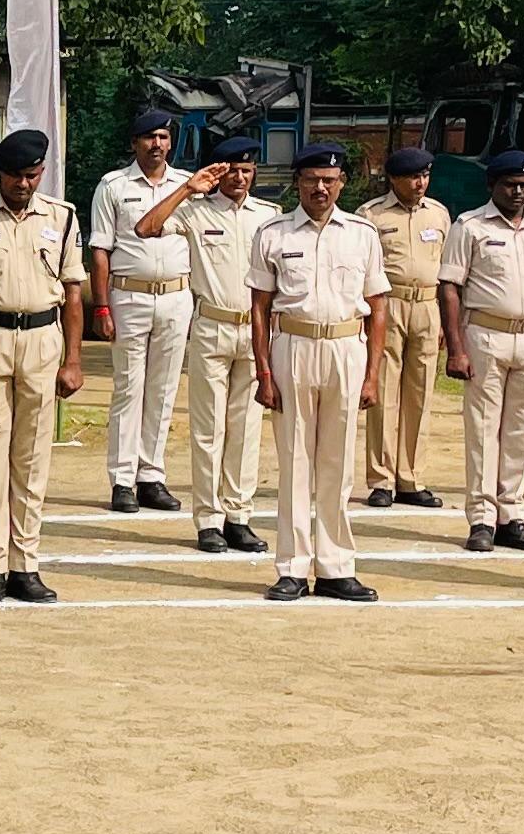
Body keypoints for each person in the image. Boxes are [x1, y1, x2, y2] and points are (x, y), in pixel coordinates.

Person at [0, 128, 86, 602]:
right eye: (15, 176)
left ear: (41, 173)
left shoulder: (62, 218)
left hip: (43, 340)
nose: (23, 184)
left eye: (31, 175)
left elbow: (72, 292)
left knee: (32, 458)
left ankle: (26, 564)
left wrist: (74, 358)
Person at [250, 144, 390, 601]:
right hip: (293, 345)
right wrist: (264, 372)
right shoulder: (272, 233)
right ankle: (292, 567)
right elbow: (259, 307)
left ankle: (334, 566)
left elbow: (378, 306)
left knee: (337, 463)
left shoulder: (362, 234)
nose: (320, 188)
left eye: (329, 179)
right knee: (294, 462)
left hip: (347, 348)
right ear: (298, 184)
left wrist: (372, 374)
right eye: (311, 179)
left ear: (342, 183)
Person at [143, 137, 277, 555]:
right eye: (230, 169)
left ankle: (238, 514)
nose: (239, 177)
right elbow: (146, 228)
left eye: (247, 170)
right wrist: (187, 188)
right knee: (208, 428)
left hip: (255, 331)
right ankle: (209, 519)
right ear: (216, 172)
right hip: (211, 328)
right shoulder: (196, 211)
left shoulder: (269, 217)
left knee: (246, 427)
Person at [438, 150, 524, 554]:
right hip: (486, 335)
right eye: (510, 184)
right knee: (483, 428)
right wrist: (456, 347)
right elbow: (449, 288)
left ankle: (512, 513)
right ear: (492, 185)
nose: (518, 192)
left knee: (523, 428)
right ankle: (481, 517)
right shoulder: (470, 226)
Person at [86, 109, 194, 513]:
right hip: (128, 295)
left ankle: (152, 475)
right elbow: (100, 250)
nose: (157, 145)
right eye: (149, 138)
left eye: (163, 137)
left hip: (175, 295)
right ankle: (123, 479)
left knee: (164, 390)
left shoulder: (188, 186)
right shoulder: (113, 185)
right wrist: (102, 307)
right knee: (129, 389)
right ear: (134, 143)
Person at [355, 144, 447, 510]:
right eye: (412, 177)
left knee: (420, 394)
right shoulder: (371, 216)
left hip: (426, 304)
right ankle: (381, 479)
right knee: (383, 393)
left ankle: (411, 477)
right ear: (393, 179)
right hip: (387, 305)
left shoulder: (439, 214)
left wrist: (438, 316)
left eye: (424, 175)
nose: (419, 183)